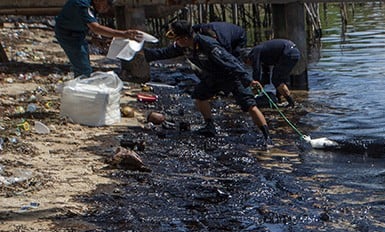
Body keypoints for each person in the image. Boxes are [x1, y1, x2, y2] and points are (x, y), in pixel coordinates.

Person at [143, 20, 271, 145]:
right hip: (213, 77)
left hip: (231, 76)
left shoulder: (208, 44)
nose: (175, 43)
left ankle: (267, 137)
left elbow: (230, 61)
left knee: (250, 105)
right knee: (199, 95)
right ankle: (209, 126)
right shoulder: (183, 47)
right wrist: (144, 53)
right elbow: (164, 53)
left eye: (177, 39)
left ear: (185, 38)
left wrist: (248, 80)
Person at [55, 0, 141, 78]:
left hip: (78, 32)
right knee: (83, 68)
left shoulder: (92, 6)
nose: (108, 7)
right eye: (108, 3)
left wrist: (94, 39)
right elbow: (95, 28)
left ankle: (81, 83)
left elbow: (86, 23)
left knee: (83, 64)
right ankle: (81, 86)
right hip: (68, 34)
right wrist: (124, 34)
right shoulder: (83, 4)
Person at [244, 39, 301, 108]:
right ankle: (279, 100)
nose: (249, 65)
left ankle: (291, 103)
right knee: (279, 78)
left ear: (248, 58)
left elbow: (256, 70)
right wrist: (262, 85)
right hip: (294, 52)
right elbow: (266, 73)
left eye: (247, 63)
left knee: (277, 80)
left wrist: (255, 85)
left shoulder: (254, 52)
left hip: (288, 53)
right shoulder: (263, 54)